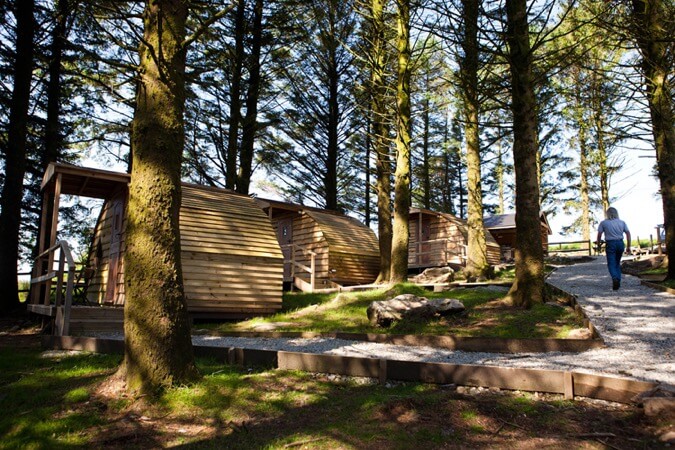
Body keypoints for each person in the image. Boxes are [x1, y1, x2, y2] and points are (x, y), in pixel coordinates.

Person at [596, 207, 631, 290]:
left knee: (611, 263)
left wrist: (598, 244)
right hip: (620, 243)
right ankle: (618, 279)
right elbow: (628, 233)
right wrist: (628, 246)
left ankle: (615, 278)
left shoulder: (604, 223)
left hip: (610, 244)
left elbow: (599, 234)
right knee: (617, 263)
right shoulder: (622, 222)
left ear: (607, 214)